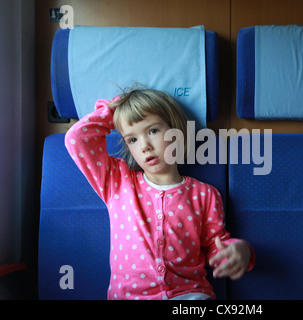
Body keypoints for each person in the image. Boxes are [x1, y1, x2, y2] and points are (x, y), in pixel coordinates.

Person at [65, 86, 255, 300]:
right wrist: (115, 110)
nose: (145, 146)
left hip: (189, 295)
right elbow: (77, 137)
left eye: (153, 131)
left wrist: (239, 251)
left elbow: (216, 244)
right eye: (132, 140)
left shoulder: (205, 194)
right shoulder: (117, 182)